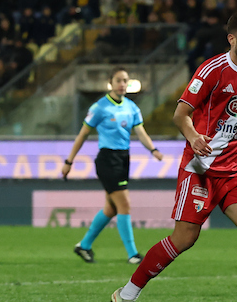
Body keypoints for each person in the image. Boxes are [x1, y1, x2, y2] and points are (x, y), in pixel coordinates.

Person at [110, 11, 237, 302]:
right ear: (232, 38)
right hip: (200, 168)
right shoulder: (212, 70)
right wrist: (193, 136)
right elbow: (181, 114)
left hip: (232, 171)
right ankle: (127, 295)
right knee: (184, 238)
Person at [63, 67, 164, 264]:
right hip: (107, 160)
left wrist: (153, 150)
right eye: (118, 80)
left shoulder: (131, 107)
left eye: (125, 80)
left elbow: (140, 132)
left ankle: (84, 245)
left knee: (111, 208)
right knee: (124, 204)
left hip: (124, 158)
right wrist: (69, 161)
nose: (122, 84)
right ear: (110, 83)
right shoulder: (100, 107)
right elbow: (83, 135)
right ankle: (133, 254)